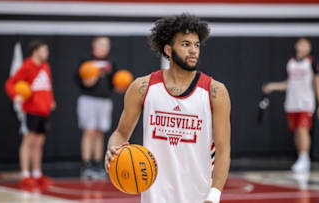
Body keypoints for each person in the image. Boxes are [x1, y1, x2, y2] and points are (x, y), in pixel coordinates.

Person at [105, 14, 231, 203]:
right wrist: (113, 149)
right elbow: (121, 134)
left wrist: (214, 196)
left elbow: (223, 150)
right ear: (168, 49)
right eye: (186, 44)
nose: (193, 51)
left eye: (197, 45)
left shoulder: (215, 91)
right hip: (154, 197)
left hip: (198, 197)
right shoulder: (142, 87)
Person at [263, 38, 319, 173]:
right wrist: (273, 86)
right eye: (302, 44)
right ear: (297, 46)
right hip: (292, 103)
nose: (305, 47)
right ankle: (300, 157)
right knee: (297, 132)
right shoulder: (291, 62)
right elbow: (289, 84)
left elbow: (318, 83)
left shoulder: (311, 62)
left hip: (305, 103)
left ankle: (305, 158)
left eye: (307, 46)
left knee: (303, 130)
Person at [5, 40, 55, 189]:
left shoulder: (46, 66)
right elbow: (10, 83)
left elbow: (47, 85)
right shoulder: (27, 66)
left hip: (44, 110)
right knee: (28, 141)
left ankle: (37, 173)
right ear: (35, 51)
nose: (47, 53)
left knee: (39, 143)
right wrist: (15, 95)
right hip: (31, 110)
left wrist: (51, 100)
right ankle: (25, 174)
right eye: (44, 50)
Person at [77, 36, 118, 179]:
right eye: (101, 44)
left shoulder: (111, 62)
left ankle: (97, 163)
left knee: (100, 132)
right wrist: (89, 79)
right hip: (89, 99)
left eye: (107, 44)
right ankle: (86, 164)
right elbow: (80, 81)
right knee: (89, 131)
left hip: (105, 101)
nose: (104, 47)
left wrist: (120, 85)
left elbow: (114, 83)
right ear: (94, 45)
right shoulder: (86, 60)